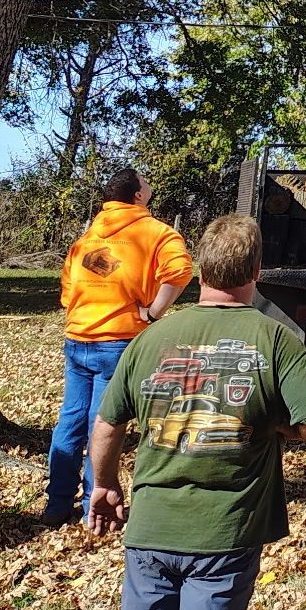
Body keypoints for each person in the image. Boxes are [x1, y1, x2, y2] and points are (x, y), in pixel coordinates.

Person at [86, 213, 306, 610]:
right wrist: (282, 430)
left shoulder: (151, 337)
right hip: (226, 536)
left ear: (200, 268)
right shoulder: (273, 339)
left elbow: (105, 427)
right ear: (256, 272)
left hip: (150, 530)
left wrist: (103, 484)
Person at [44, 169, 193, 527]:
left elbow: (68, 289)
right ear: (138, 196)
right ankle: (93, 512)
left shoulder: (89, 237)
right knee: (104, 424)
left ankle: (56, 504)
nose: (150, 184)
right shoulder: (156, 233)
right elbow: (180, 271)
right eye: (147, 181)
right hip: (118, 342)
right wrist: (154, 311)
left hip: (77, 338)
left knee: (71, 420)